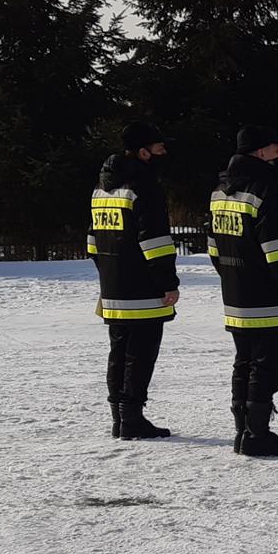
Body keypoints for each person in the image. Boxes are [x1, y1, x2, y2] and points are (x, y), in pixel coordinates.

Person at [208, 125, 278, 457]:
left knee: (244, 362)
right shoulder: (267, 187)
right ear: (260, 152)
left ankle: (243, 431)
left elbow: (213, 245)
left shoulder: (220, 189)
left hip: (236, 294)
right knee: (267, 367)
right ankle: (257, 435)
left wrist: (232, 276)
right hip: (267, 296)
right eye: (273, 146)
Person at [88, 122, 179, 440]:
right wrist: (168, 282)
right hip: (143, 288)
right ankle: (132, 419)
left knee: (119, 353)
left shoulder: (103, 187)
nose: (163, 152)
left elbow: (92, 241)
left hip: (113, 287)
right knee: (140, 355)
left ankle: (120, 418)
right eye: (158, 147)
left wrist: (110, 274)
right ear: (143, 152)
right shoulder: (145, 185)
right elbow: (154, 240)